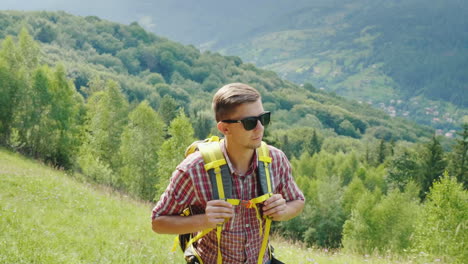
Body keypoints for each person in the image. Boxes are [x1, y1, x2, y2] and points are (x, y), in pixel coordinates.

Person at [152, 83, 305, 264]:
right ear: (225, 128)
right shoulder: (194, 169)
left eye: (263, 118)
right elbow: (158, 222)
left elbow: (298, 200)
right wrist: (205, 220)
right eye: (249, 122)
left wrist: (284, 211)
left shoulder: (275, 160)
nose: (260, 128)